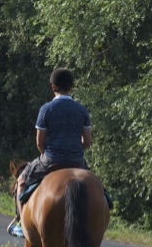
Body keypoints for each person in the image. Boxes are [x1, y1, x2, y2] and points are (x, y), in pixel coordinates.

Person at [8, 68, 92, 237]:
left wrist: (47, 153)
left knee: (22, 179)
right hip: (77, 160)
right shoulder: (82, 110)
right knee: (95, 185)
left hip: (51, 158)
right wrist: (75, 150)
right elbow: (87, 142)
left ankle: (19, 222)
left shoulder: (46, 109)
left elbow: (39, 142)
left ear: (53, 87)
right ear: (72, 87)